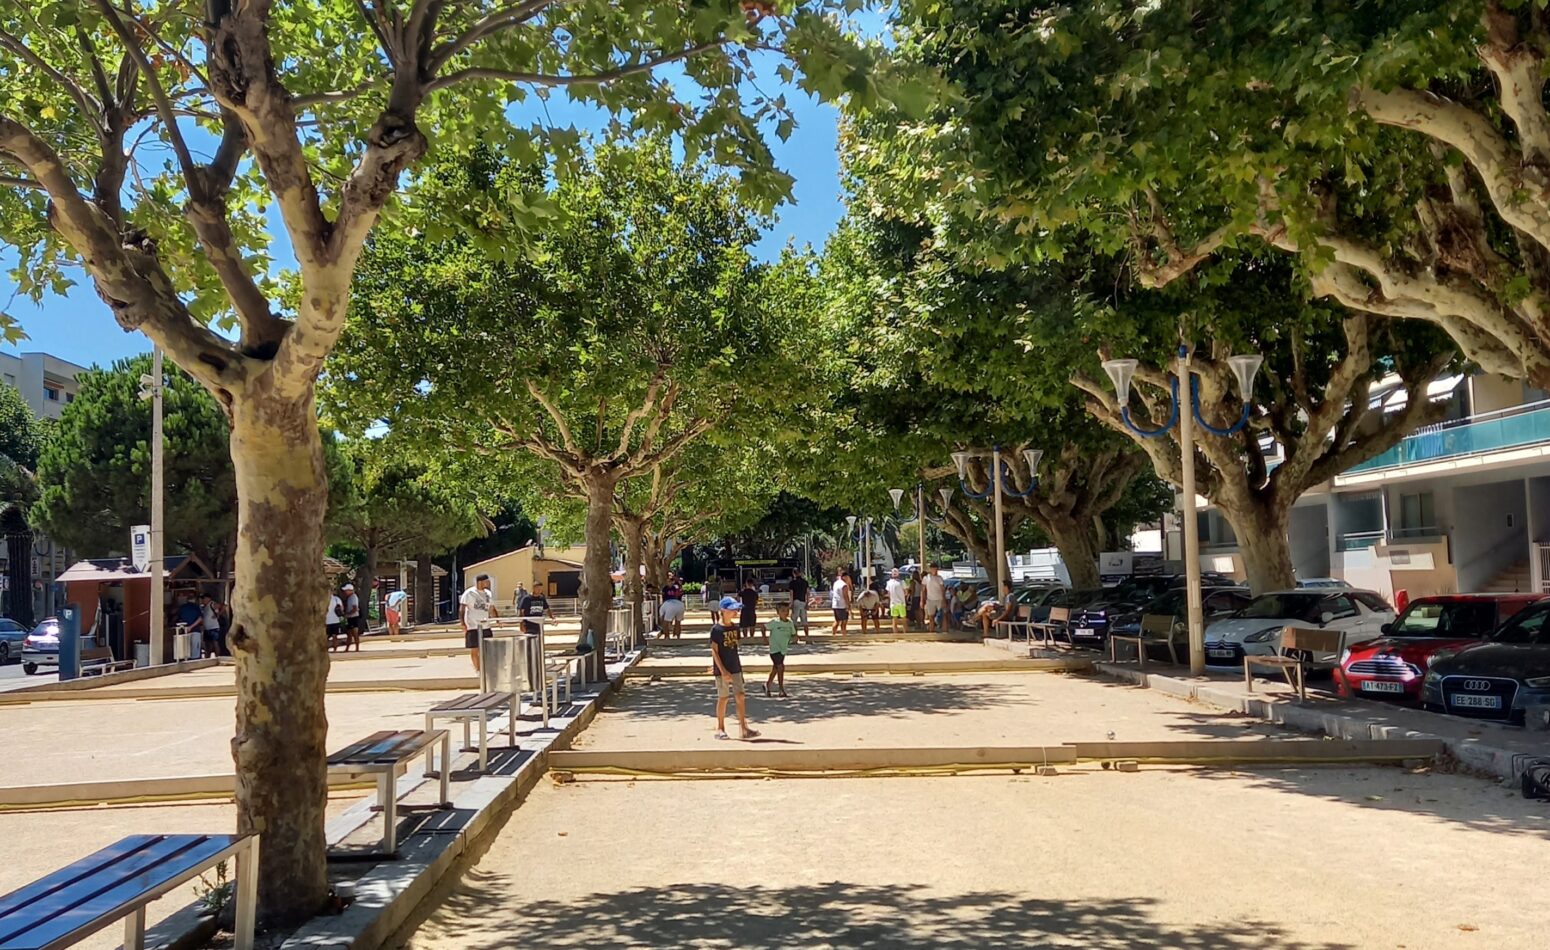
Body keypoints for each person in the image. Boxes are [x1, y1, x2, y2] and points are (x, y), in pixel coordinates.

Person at [710, 596, 758, 739]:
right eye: (732, 610)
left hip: (735, 666)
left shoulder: (735, 628)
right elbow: (714, 651)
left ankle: (744, 728)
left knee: (740, 696)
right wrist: (722, 670)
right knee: (723, 697)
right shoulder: (716, 630)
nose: (735, 612)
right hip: (722, 669)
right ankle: (720, 728)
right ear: (723, 611)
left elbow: (733, 649)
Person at [460, 573, 498, 672]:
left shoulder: (488, 594)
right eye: (486, 581)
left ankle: (485, 667)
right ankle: (478, 669)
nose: (488, 583)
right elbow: (462, 608)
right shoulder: (469, 593)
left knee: (487, 648)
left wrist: (497, 619)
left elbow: (492, 607)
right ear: (480, 582)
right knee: (475, 648)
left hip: (485, 625)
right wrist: (462, 623)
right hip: (473, 625)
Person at [765, 602, 796, 698]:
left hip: (783, 649)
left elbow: (793, 634)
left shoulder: (790, 623)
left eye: (787, 611)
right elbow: (764, 627)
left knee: (776, 669)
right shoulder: (774, 622)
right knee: (781, 667)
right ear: (778, 612)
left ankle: (767, 685)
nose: (785, 613)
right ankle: (781, 689)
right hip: (774, 649)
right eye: (783, 611)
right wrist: (764, 638)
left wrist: (794, 638)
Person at [175, 593, 204, 659]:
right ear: (194, 599)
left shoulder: (182, 607)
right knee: (195, 651)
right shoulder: (196, 607)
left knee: (185, 650)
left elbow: (177, 617)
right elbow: (200, 618)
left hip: (184, 631)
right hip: (195, 630)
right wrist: (191, 627)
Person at [922, 564, 947, 633]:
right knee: (931, 616)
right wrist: (922, 600)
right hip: (930, 599)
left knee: (943, 615)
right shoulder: (926, 578)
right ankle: (931, 630)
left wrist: (943, 599)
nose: (934, 571)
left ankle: (944, 630)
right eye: (933, 569)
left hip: (939, 599)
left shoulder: (939, 578)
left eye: (935, 569)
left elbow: (942, 589)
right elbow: (923, 590)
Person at [659, 572, 686, 639]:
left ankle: (667, 636)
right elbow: (679, 594)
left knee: (665, 622)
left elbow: (663, 596)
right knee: (678, 622)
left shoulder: (665, 588)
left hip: (669, 604)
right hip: (679, 604)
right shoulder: (676, 587)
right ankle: (677, 636)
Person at [788, 569, 810, 641]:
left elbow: (791, 594)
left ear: (794, 574)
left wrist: (791, 604)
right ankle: (807, 637)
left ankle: (795, 637)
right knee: (804, 621)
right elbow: (807, 593)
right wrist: (807, 603)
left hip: (796, 601)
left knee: (794, 621)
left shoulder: (792, 583)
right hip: (803, 602)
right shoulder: (805, 582)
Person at [886, 568, 908, 636]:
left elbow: (906, 592)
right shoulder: (889, 582)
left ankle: (905, 633)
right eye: (893, 572)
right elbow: (888, 593)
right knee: (894, 619)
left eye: (896, 572)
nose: (895, 573)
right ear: (891, 573)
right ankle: (895, 634)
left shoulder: (902, 582)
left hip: (901, 603)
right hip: (893, 603)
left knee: (903, 619)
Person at [830, 568, 852, 636]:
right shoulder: (844, 585)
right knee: (844, 622)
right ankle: (844, 635)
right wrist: (848, 605)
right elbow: (845, 596)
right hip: (842, 605)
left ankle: (833, 634)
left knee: (837, 621)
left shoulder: (836, 583)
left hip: (835, 604)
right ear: (844, 577)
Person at [341, 583, 362, 652]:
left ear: (350, 590)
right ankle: (347, 648)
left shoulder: (353, 597)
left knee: (355, 633)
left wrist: (347, 614)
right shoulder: (349, 597)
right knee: (349, 633)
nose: (345, 592)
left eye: (346, 590)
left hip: (353, 617)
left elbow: (354, 608)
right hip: (350, 617)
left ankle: (357, 648)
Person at [324, 587, 344, 652]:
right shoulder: (336, 599)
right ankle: (335, 650)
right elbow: (342, 609)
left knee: (325, 637)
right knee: (335, 636)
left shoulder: (323, 599)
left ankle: (325, 650)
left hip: (326, 620)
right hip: (336, 620)